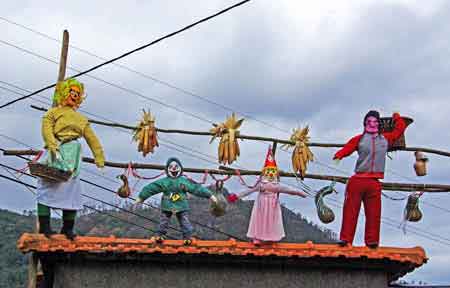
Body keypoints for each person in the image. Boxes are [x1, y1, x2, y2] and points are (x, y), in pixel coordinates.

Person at [36, 78, 105, 240]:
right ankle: (45, 227)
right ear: (64, 93)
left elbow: (92, 139)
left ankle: (67, 229)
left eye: (77, 93)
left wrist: (99, 157)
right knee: (47, 185)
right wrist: (52, 145)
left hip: (73, 153)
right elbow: (46, 130)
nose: (74, 96)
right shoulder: (52, 113)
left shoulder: (81, 119)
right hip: (56, 150)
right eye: (71, 92)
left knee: (72, 191)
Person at [333, 110, 407, 248]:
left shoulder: (386, 139)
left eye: (375, 122)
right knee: (350, 211)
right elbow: (349, 147)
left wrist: (397, 117)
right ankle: (345, 238)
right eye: (369, 122)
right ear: (365, 124)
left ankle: (372, 241)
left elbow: (399, 129)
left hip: (374, 182)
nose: (372, 124)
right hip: (358, 179)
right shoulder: (359, 139)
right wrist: (340, 154)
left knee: (374, 213)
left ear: (379, 124)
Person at [228, 147, 308, 244]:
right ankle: (257, 237)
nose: (270, 175)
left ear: (275, 174)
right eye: (268, 172)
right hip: (262, 205)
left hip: (272, 206)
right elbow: (249, 190)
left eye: (272, 173)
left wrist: (301, 193)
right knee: (259, 219)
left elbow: (290, 190)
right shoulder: (261, 184)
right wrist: (237, 196)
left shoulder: (277, 186)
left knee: (272, 220)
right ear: (265, 173)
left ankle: (271, 237)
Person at [136, 157, 218, 245]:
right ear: (167, 169)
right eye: (171, 168)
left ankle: (187, 237)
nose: (174, 170)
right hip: (167, 205)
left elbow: (196, 188)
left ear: (180, 169)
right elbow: (152, 188)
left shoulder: (184, 181)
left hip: (181, 205)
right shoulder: (164, 182)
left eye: (176, 167)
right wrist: (141, 197)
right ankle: (160, 235)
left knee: (184, 221)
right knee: (164, 221)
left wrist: (210, 195)